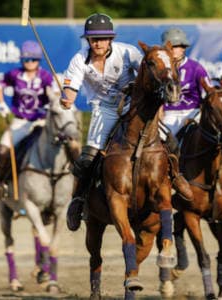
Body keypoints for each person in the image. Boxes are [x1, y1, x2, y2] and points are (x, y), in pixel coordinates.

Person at [61, 15, 193, 232]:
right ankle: (78, 200)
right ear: (88, 41)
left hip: (133, 105)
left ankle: (176, 178)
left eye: (103, 38)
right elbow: (70, 90)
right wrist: (66, 98)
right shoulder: (79, 59)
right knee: (88, 158)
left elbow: (147, 72)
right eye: (94, 39)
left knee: (168, 140)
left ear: (110, 39)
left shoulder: (127, 52)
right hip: (103, 109)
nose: (98, 43)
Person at [0, 40, 56, 200]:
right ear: (22, 60)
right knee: (2, 151)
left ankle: (70, 186)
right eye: (26, 59)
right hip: (20, 122)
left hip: (40, 122)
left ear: (39, 60)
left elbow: (54, 93)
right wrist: (1, 103)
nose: (30, 62)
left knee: (63, 146)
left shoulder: (45, 76)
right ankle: (2, 184)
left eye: (33, 59)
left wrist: (52, 102)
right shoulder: (14, 74)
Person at [158, 27, 214, 186]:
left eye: (179, 46)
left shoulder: (196, 68)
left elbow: (208, 95)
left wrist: (199, 116)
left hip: (193, 112)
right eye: (172, 47)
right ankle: (165, 179)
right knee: (159, 144)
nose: (176, 50)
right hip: (169, 114)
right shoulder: (161, 69)